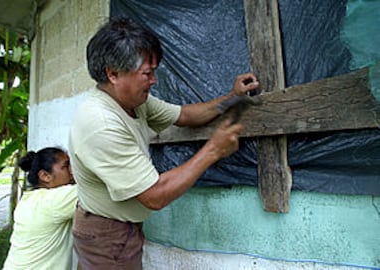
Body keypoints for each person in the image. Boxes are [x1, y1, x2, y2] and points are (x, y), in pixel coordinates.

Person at [68, 17, 259, 269]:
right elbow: (154, 196)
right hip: (107, 234)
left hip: (116, 228)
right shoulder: (101, 124)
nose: (154, 81)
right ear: (113, 73)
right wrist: (213, 149)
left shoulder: (134, 101)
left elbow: (186, 115)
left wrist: (232, 98)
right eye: (147, 73)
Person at [3, 147, 78, 270]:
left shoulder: (28, 200)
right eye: (66, 166)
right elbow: (95, 189)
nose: (72, 171)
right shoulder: (53, 200)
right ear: (45, 176)